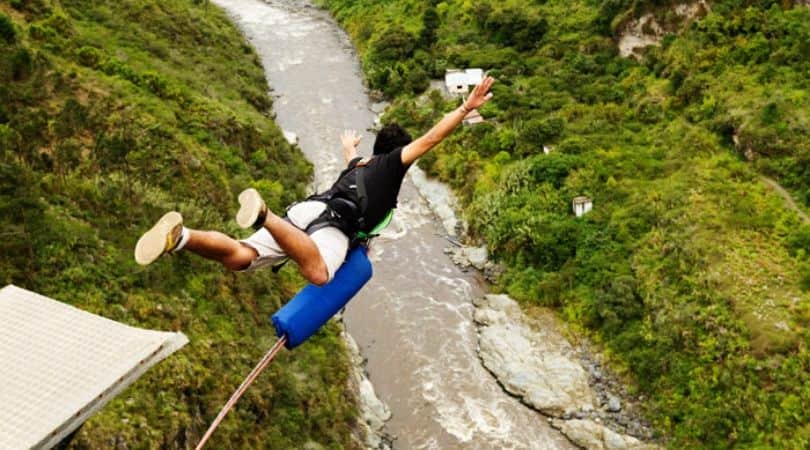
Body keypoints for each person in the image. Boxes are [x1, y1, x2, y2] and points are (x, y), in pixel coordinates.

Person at [135, 76, 495, 285]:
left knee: (241, 257)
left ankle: (181, 237)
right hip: (332, 226)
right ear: (399, 153)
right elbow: (431, 138)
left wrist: (348, 146)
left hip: (307, 211)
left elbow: (351, 158)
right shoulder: (391, 165)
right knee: (320, 274)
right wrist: (464, 109)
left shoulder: (360, 164)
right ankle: (264, 216)